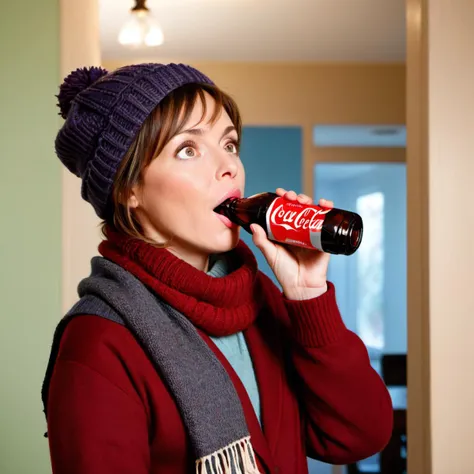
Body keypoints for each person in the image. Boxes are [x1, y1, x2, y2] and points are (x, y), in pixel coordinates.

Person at [42, 63, 393, 474]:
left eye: (229, 144)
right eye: (187, 149)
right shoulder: (99, 342)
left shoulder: (261, 299)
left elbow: (358, 436)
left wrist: (308, 296)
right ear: (128, 189)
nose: (229, 167)